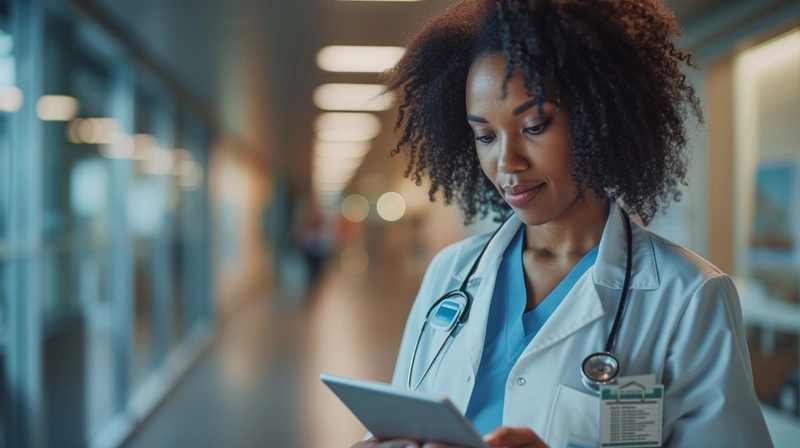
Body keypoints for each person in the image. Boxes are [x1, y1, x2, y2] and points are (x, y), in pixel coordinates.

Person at [355, 0, 772, 447]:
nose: (506, 163)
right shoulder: (450, 273)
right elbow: (401, 417)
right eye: (485, 136)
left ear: (599, 118)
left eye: (535, 126)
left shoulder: (688, 296)